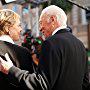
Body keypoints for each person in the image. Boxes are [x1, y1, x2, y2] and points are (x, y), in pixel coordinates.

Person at [0, 5, 90, 90]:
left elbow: (42, 83)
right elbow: (85, 83)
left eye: (41, 23)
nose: (40, 28)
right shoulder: (80, 45)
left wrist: (11, 70)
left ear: (52, 19)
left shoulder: (51, 42)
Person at [0, 9, 34, 90]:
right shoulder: (23, 53)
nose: (21, 29)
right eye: (18, 25)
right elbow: (29, 83)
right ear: (7, 28)